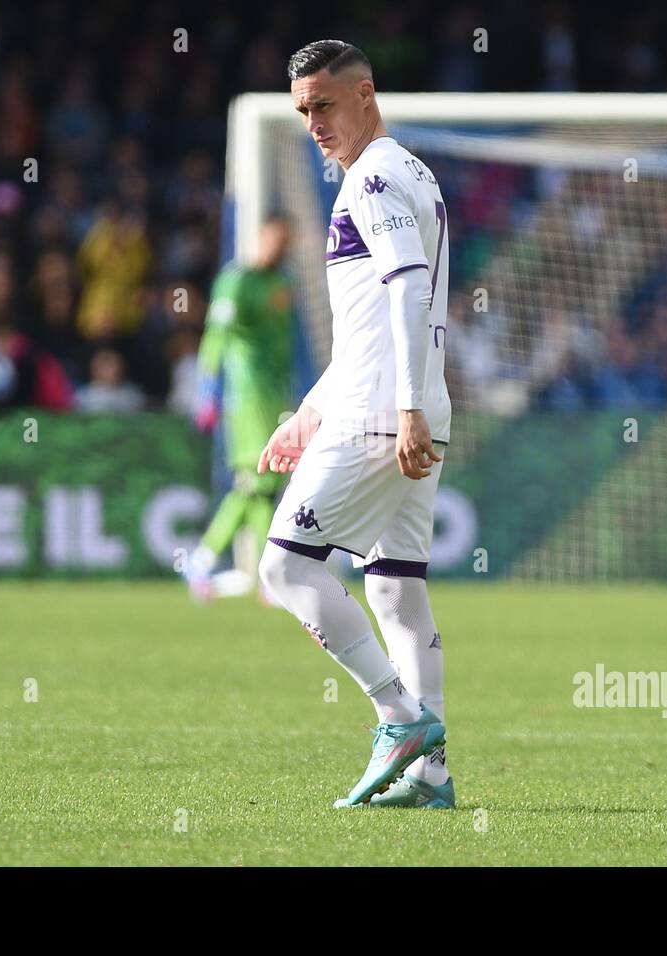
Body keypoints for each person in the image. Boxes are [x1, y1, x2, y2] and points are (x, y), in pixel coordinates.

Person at [255, 40, 454, 809]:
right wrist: (309, 412)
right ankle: (429, 777)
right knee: (397, 588)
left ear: (365, 94)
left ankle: (399, 718)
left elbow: (406, 293)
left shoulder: (368, 180)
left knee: (284, 569)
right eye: (303, 110)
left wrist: (400, 410)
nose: (313, 123)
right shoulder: (412, 171)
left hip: (385, 413)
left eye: (325, 105)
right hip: (412, 402)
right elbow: (376, 320)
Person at [183, 218, 295, 600]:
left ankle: (250, 573)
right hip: (245, 393)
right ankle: (220, 561)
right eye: (275, 240)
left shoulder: (282, 283)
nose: (280, 249)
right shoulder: (237, 280)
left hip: (273, 393)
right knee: (259, 479)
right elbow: (217, 334)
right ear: (260, 237)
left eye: (286, 242)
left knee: (263, 485)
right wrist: (207, 385)